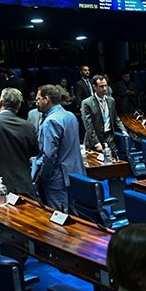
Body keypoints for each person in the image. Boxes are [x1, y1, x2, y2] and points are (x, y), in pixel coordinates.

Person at [32, 84, 85, 212]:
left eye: (38, 99)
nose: (36, 102)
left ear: (47, 99)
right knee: (75, 216)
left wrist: (42, 176)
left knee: (59, 219)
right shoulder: (70, 116)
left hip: (57, 179)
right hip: (75, 174)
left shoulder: (51, 121)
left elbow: (49, 155)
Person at [81, 75, 128, 155]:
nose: (105, 89)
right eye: (101, 86)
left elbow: (116, 118)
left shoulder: (111, 100)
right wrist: (97, 143)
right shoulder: (87, 103)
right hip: (95, 140)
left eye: (106, 85)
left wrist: (123, 130)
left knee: (113, 164)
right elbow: (89, 125)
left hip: (109, 138)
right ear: (94, 87)